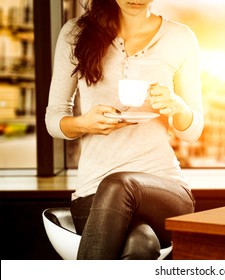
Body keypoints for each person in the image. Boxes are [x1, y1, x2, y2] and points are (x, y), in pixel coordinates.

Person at [45, 0, 203, 259]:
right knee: (141, 244)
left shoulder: (180, 38)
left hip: (164, 191)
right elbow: (54, 119)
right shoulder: (75, 33)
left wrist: (177, 107)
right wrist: (84, 123)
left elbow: (193, 131)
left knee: (119, 183)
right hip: (94, 193)